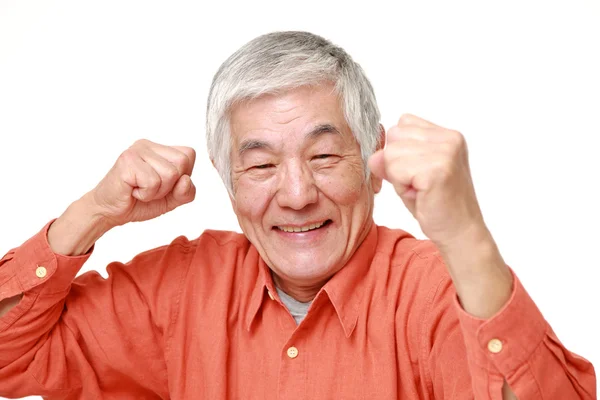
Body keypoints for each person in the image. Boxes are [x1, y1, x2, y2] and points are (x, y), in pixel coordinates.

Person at [0, 31, 595, 400]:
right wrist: (93, 213)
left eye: (325, 155)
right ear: (224, 176)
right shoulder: (181, 289)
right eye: (260, 166)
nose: (296, 193)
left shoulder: (435, 292)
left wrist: (466, 235)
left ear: (372, 157)